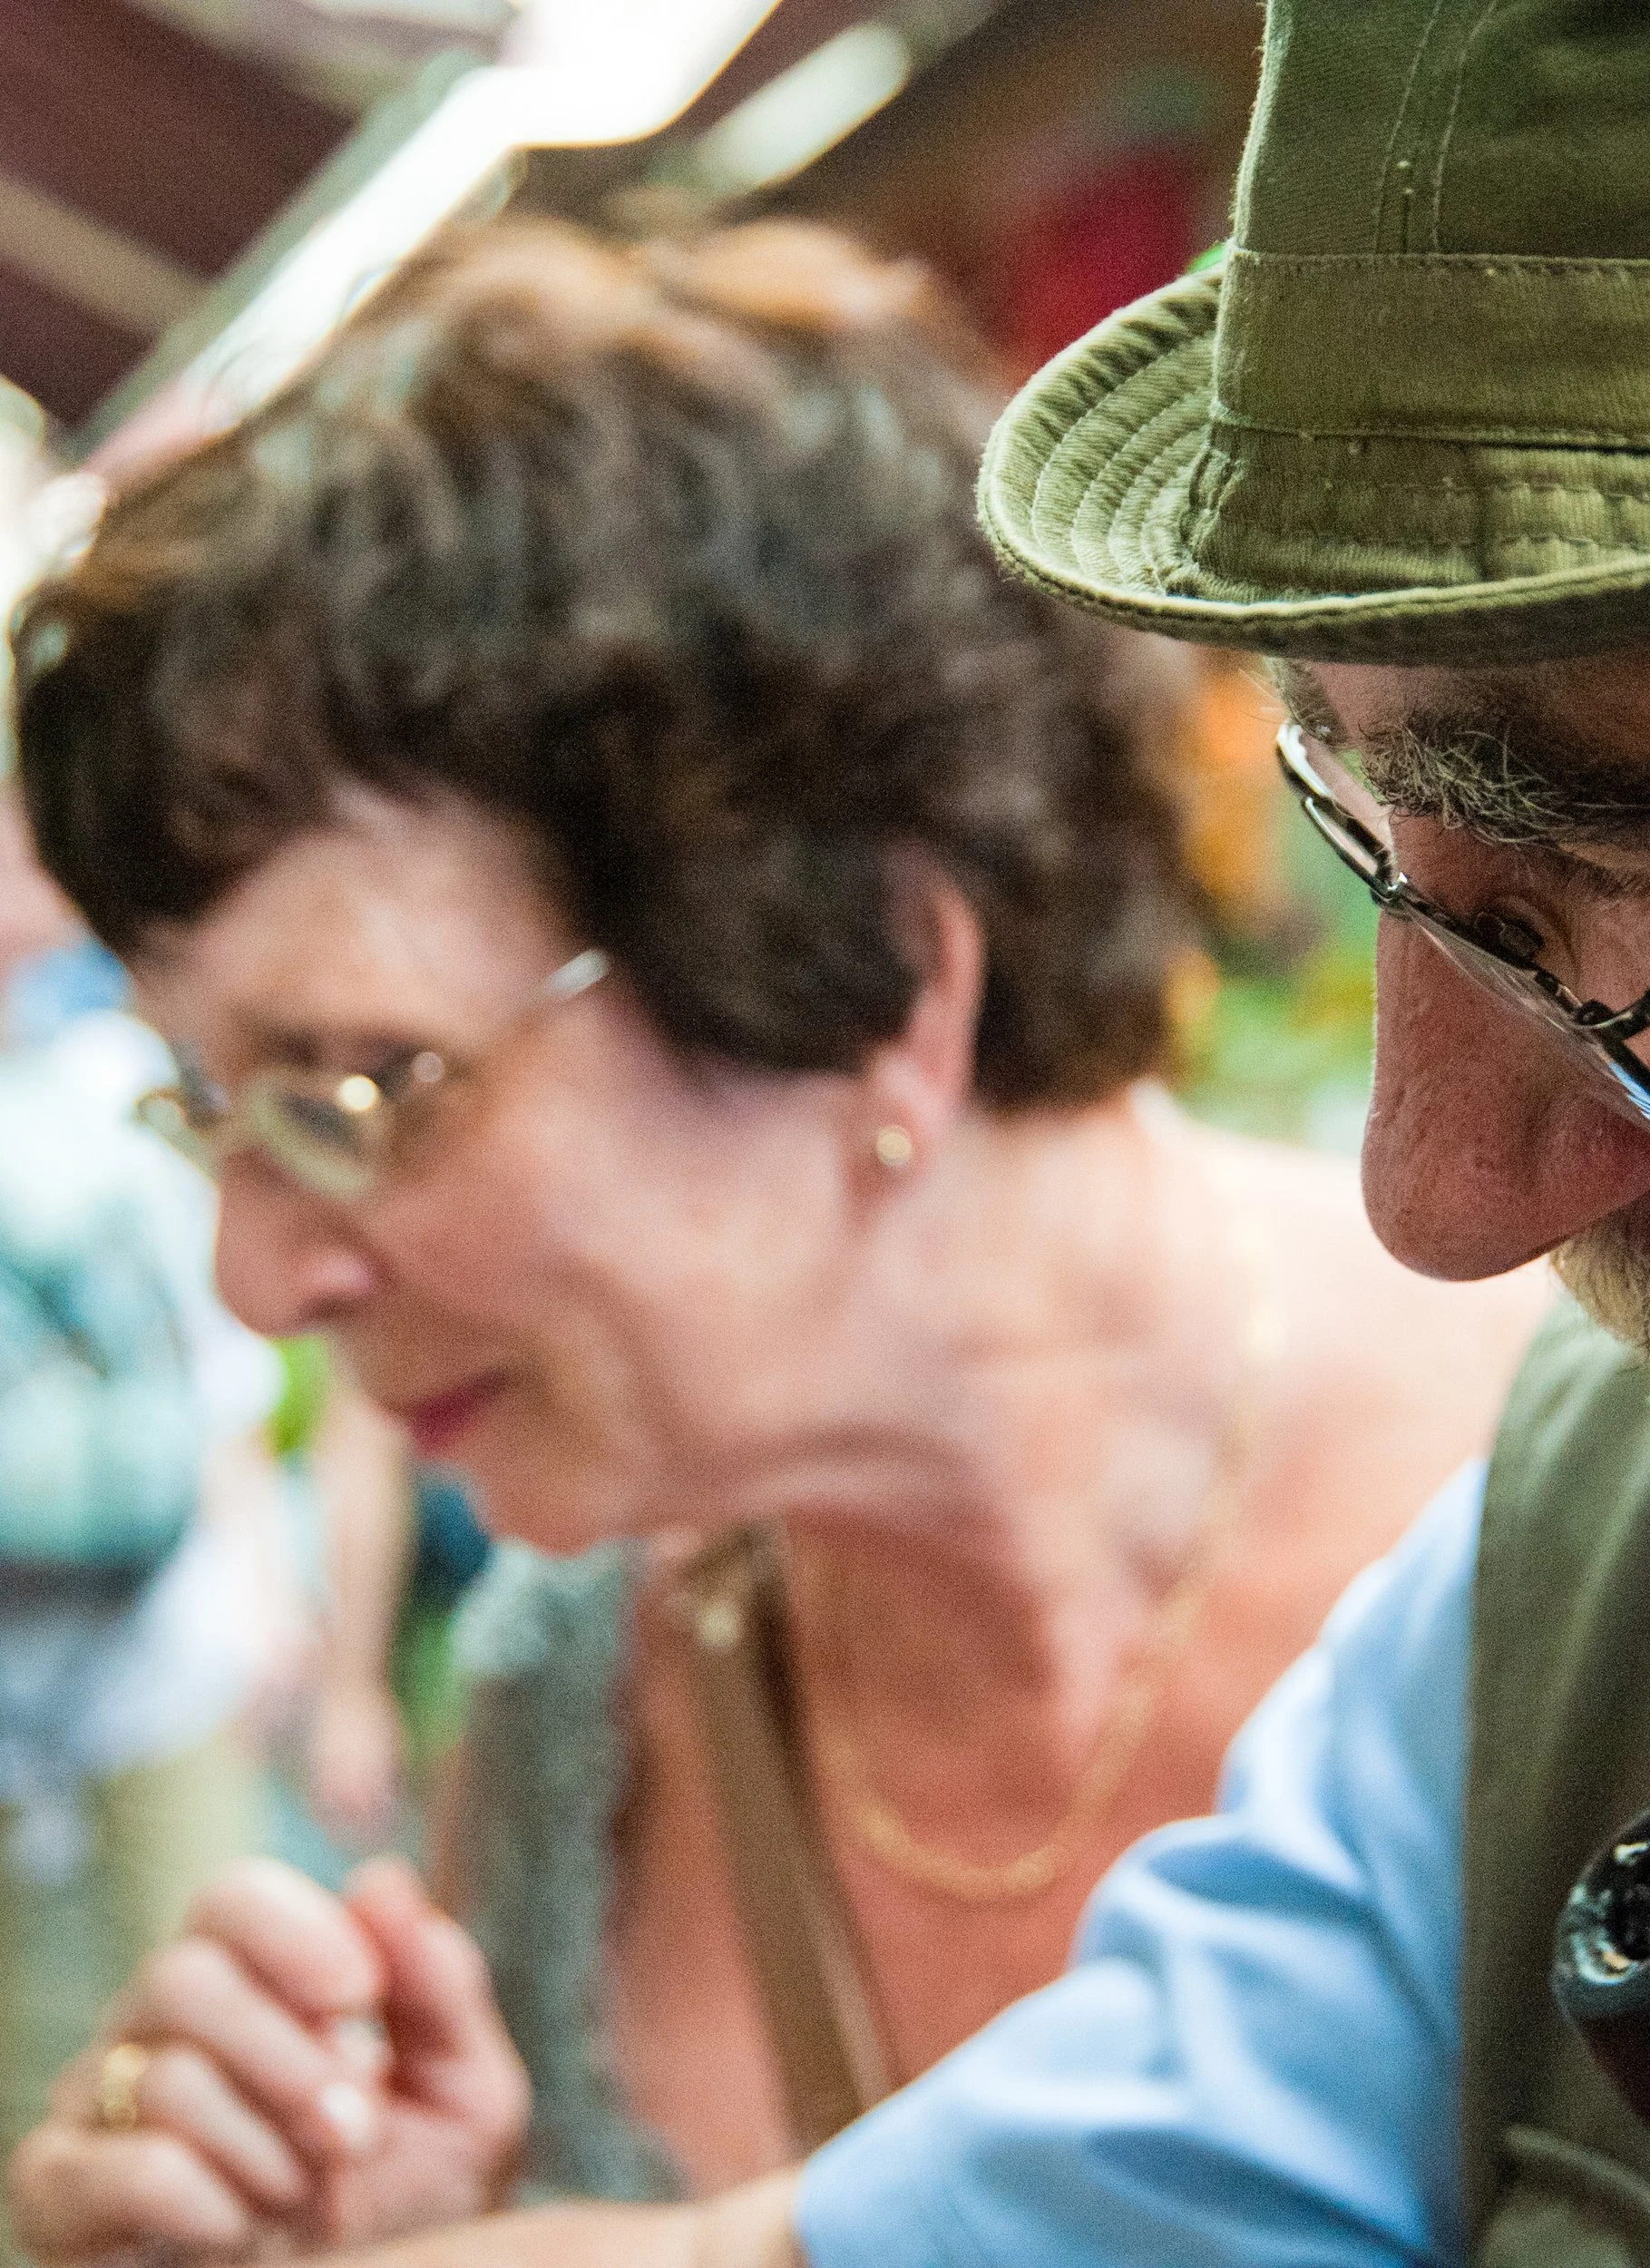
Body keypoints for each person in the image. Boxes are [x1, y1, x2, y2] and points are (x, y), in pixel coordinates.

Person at [1, 212, 1547, 2261]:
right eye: (210, 1113)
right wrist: (381, 2226)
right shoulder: (581, 1707)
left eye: (354, 1087)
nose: (256, 1277)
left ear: (870, 972)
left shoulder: (1618, 1518)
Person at [0, 787, 284, 2244]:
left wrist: (266, 1585)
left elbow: (208, 1356)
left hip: (156, 1655)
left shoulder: (112, 1069)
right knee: (31, 2069)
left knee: (209, 1998)